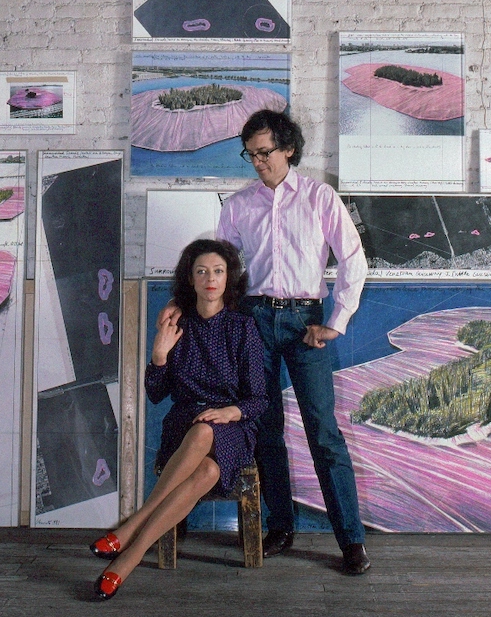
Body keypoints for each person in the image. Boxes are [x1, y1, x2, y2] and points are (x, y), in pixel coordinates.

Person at [159, 109, 371, 575]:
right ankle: (280, 526)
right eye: (250, 155)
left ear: (288, 148)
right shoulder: (237, 206)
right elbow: (218, 270)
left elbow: (354, 260)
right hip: (251, 321)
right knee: (267, 430)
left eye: (265, 153)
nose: (257, 162)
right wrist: (181, 303)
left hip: (304, 323)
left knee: (323, 433)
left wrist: (335, 322)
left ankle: (350, 541)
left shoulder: (319, 198)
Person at [91, 239, 267, 601]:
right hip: (184, 424)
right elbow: (156, 393)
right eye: (201, 271)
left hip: (233, 426)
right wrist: (158, 355)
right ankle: (130, 555)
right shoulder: (177, 325)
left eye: (218, 271)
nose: (210, 279)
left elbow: (259, 398)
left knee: (206, 431)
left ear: (228, 278)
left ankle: (129, 542)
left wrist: (229, 412)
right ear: (190, 279)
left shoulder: (242, 327)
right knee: (207, 471)